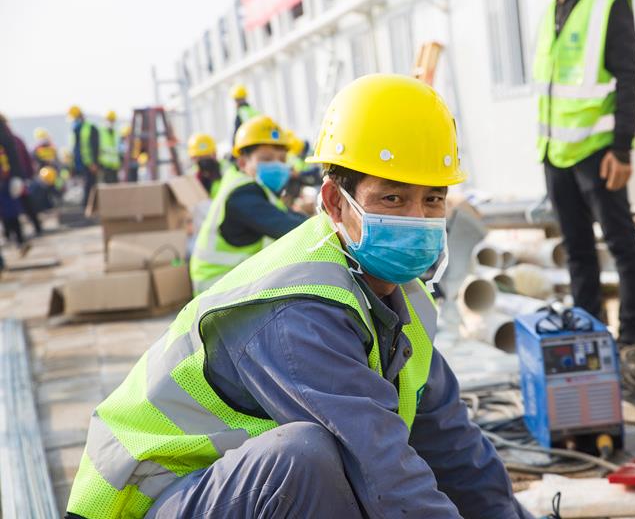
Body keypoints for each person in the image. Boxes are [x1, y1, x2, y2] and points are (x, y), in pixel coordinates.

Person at [65, 74, 531, 519]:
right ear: (333, 202)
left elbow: (455, 447)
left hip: (217, 492)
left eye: (432, 199)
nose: (418, 217)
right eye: (392, 199)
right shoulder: (297, 315)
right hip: (153, 503)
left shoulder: (406, 303)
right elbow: (383, 470)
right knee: (305, 462)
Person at [535, 0, 635, 345]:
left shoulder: (607, 2)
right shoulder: (552, 9)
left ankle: (631, 339)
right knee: (577, 251)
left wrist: (622, 149)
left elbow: (628, 78)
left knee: (621, 246)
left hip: (598, 151)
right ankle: (590, 337)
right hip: (555, 153)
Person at [189, 115, 307, 294]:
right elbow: (288, 227)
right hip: (217, 290)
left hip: (235, 282)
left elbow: (285, 216)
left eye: (282, 160)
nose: (277, 165)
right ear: (243, 162)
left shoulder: (253, 188)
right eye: (266, 159)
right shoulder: (242, 195)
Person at [1, 115, 42, 235]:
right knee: (8, 208)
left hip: (11, 177)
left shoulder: (10, 138)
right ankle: (12, 234)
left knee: (15, 205)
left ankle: (18, 235)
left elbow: (19, 158)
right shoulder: (13, 138)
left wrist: (21, 176)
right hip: (12, 177)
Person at [67, 105, 100, 205]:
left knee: (90, 186)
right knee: (83, 187)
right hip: (79, 164)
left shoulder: (90, 128)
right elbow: (75, 148)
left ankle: (88, 207)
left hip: (89, 164)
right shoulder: (75, 130)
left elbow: (95, 146)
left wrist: (94, 162)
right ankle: (85, 207)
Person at [186, 132, 226, 198]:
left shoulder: (227, 170)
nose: (204, 161)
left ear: (215, 154)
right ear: (193, 158)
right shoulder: (190, 177)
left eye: (207, 156)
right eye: (200, 157)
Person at [98, 110, 121, 183]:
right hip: (104, 165)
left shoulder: (116, 133)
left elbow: (117, 149)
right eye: (110, 120)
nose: (111, 122)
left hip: (115, 166)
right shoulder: (100, 132)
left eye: (113, 120)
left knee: (114, 189)